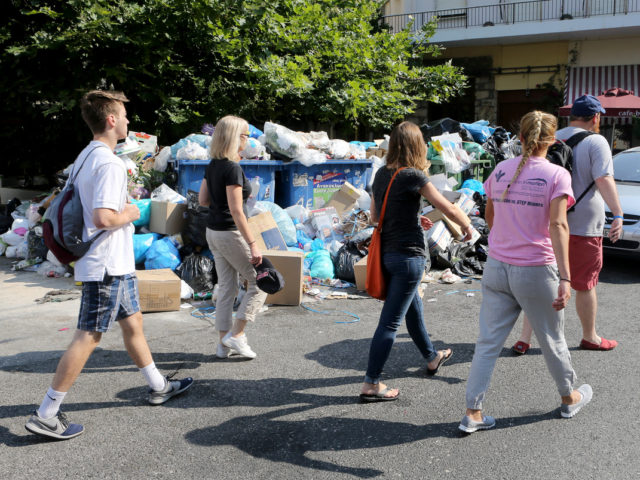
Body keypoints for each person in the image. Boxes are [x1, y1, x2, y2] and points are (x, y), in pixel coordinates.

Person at [25, 90, 193, 441]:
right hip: (105, 265)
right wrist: (130, 213)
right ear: (111, 119)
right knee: (89, 336)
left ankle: (159, 385)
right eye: (124, 115)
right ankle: (47, 413)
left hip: (113, 263)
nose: (129, 122)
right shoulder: (109, 163)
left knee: (133, 324)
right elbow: (103, 217)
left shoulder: (87, 155)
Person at [460, 111, 592, 434]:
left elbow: (490, 215)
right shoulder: (557, 175)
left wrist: (506, 241)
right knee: (552, 339)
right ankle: (568, 396)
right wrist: (564, 277)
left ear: (520, 138)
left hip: (497, 267)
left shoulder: (501, 170)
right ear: (552, 141)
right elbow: (558, 225)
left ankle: (472, 413)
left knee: (488, 343)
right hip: (535, 269)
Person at [359, 121, 473, 403]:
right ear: (417, 146)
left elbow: (375, 218)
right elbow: (445, 206)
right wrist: (468, 226)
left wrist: (411, 218)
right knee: (390, 323)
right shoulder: (412, 175)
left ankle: (432, 357)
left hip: (387, 253)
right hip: (408, 257)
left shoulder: (381, 176)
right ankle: (371, 383)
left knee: (413, 309)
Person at [512, 95, 623, 355]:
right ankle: (590, 336)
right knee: (585, 284)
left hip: (549, 221)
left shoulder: (553, 136)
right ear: (596, 118)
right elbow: (604, 178)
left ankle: (525, 339)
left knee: (543, 282)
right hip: (584, 224)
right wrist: (617, 213)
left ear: (570, 115)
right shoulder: (597, 141)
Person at [198, 115, 267, 360]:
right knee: (261, 282)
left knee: (227, 288)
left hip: (213, 232)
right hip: (230, 233)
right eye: (245, 135)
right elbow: (237, 211)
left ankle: (222, 344)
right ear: (234, 137)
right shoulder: (232, 168)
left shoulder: (213, 164)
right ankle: (236, 335)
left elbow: (202, 200)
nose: (248, 140)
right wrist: (252, 243)